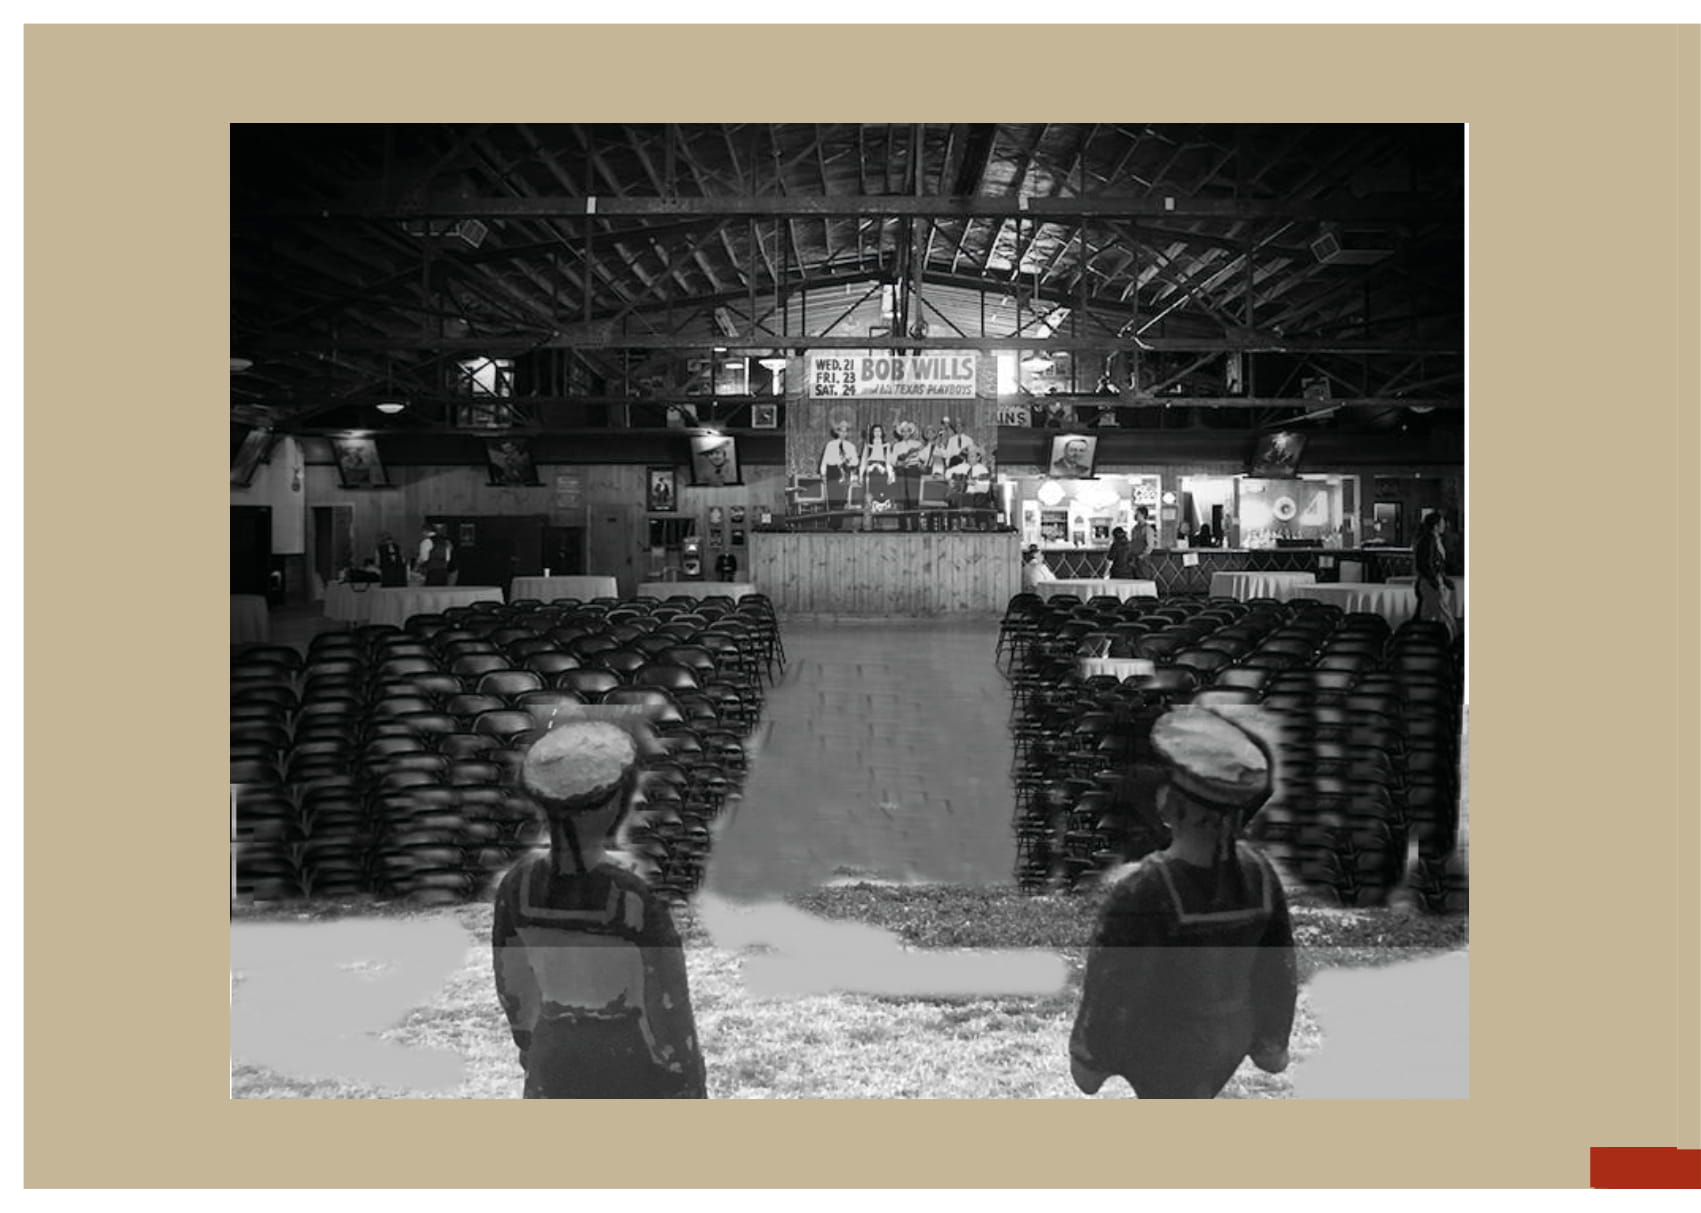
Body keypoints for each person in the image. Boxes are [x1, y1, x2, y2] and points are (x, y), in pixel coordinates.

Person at [1070, 705, 1299, 1099]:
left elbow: (1112, 988)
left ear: (1170, 805)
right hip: (1228, 1040)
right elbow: (1277, 970)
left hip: (1164, 1048)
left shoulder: (1145, 890)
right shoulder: (1260, 873)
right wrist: (1272, 1042)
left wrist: (1090, 1060)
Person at [491, 719, 708, 1099]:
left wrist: (532, 1049)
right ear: (610, 805)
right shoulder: (631, 895)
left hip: (552, 1057)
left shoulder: (517, 885)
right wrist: (688, 1081)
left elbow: (513, 989)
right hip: (627, 1061)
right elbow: (669, 1010)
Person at [1413, 511, 1457, 638]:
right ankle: (1450, 639)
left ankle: (1423, 638)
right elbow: (1426, 564)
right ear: (1436, 525)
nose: (1444, 525)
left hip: (1432, 580)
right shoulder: (1428, 540)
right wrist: (1435, 580)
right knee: (1443, 613)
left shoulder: (1434, 539)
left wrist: (1444, 579)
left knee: (1427, 614)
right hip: (1430, 582)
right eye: (1442, 523)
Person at [818, 420, 859, 530]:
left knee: (842, 499)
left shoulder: (851, 446)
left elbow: (855, 462)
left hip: (845, 471)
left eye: (845, 431)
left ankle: (838, 524)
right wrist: (823, 473)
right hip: (833, 472)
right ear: (837, 432)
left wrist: (847, 461)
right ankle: (833, 523)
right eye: (841, 431)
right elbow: (825, 460)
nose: (843, 433)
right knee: (833, 498)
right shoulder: (830, 445)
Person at [890, 420, 925, 532]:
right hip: (901, 471)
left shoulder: (917, 444)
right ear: (901, 433)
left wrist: (920, 463)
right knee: (901, 498)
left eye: (908, 431)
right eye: (903, 431)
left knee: (914, 498)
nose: (905, 433)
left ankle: (915, 525)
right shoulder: (897, 446)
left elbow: (923, 458)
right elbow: (892, 460)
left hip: (914, 471)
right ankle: (903, 525)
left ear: (911, 432)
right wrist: (900, 463)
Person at [861, 423, 895, 516]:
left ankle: (881, 512)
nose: (877, 433)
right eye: (875, 431)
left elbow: (888, 461)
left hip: (882, 470)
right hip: (871, 471)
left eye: (879, 431)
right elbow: (863, 460)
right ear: (872, 433)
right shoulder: (868, 445)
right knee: (870, 493)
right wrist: (861, 474)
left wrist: (890, 475)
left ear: (882, 432)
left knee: (882, 493)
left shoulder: (886, 445)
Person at [1128, 506, 1155, 579]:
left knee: (1144, 578)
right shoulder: (1134, 528)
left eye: (1137, 513)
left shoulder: (1147, 529)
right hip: (1134, 558)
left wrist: (1142, 556)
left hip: (1143, 560)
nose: (1135, 515)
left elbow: (1150, 545)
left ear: (1143, 515)